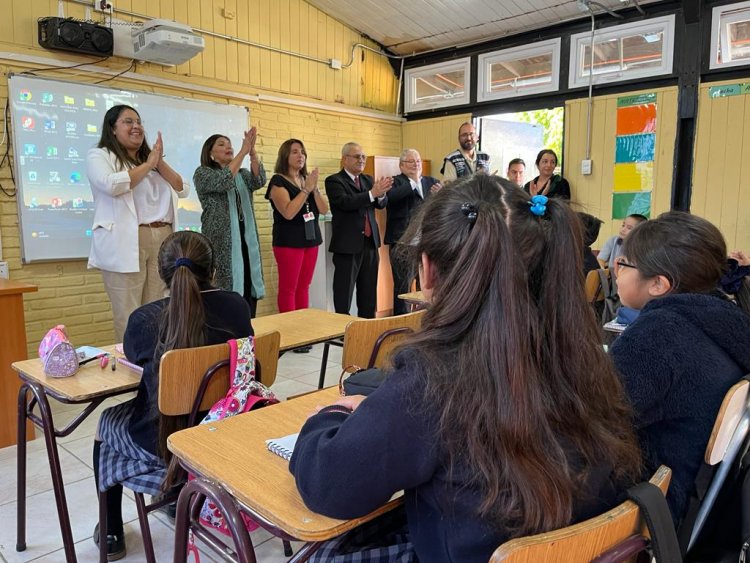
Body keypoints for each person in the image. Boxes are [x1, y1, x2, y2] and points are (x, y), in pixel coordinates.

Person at [290, 175, 642, 562]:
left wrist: (332, 414)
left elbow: (330, 486)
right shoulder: (586, 355)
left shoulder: (434, 378)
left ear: (426, 270)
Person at [92, 231, 252, 560]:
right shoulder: (238, 306)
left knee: (105, 422)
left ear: (162, 274)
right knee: (187, 406)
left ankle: (110, 531)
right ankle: (178, 493)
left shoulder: (143, 319)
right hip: (223, 432)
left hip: (166, 445)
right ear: (213, 271)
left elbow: (135, 361)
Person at [609, 211, 750, 525]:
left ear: (659, 284)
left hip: (652, 504)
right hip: (693, 501)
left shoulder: (660, 335)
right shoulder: (725, 317)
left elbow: (596, 420)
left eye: (624, 262)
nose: (615, 269)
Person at [86, 104, 189, 342]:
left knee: (159, 308)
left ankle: (154, 365)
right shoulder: (100, 155)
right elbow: (112, 185)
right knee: (129, 312)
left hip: (163, 238)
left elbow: (182, 188)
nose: (136, 127)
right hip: (126, 239)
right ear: (112, 129)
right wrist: (148, 165)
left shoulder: (152, 161)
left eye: (139, 121)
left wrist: (157, 161)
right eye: (128, 122)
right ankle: (130, 371)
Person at [194, 129, 267, 317]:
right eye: (221, 144)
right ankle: (227, 339)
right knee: (225, 289)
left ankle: (249, 334)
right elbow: (223, 181)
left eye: (229, 144)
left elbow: (259, 180)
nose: (228, 147)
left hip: (246, 240)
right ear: (210, 153)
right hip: (221, 243)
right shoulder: (203, 173)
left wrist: (252, 153)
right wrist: (243, 151)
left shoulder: (242, 174)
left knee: (248, 283)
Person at [326, 142, 392, 318]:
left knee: (369, 293)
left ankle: (366, 330)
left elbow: (380, 204)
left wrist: (382, 193)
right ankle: (342, 331)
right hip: (347, 246)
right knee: (343, 294)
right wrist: (372, 194)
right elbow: (346, 203)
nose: (361, 160)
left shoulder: (368, 179)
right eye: (357, 157)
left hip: (370, 244)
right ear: (345, 159)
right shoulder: (334, 180)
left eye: (363, 156)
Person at [265, 139, 328, 324]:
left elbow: (324, 210)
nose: (300, 155)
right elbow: (289, 212)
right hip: (289, 242)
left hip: (311, 240)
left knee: (303, 287)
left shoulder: (307, 179)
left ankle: (302, 328)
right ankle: (290, 330)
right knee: (288, 288)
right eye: (294, 152)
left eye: (302, 151)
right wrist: (306, 190)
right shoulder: (278, 181)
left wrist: (314, 189)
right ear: (285, 156)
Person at [386, 149, 441, 315]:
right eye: (411, 161)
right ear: (401, 165)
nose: (416, 164)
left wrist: (440, 195)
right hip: (402, 244)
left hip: (426, 244)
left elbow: (442, 208)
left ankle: (425, 321)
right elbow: (391, 198)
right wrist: (412, 183)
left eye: (418, 161)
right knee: (402, 288)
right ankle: (399, 323)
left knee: (428, 285)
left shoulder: (432, 182)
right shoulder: (394, 182)